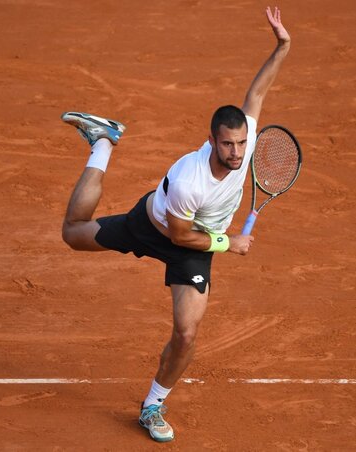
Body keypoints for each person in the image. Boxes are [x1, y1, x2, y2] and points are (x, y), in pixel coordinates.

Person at [61, 6, 290, 443]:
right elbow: (182, 234)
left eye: (242, 143)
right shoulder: (191, 181)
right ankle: (104, 141)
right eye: (227, 145)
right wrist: (229, 242)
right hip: (157, 226)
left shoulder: (246, 138)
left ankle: (152, 406)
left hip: (192, 250)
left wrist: (283, 46)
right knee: (72, 234)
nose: (238, 153)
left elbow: (256, 94)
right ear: (211, 141)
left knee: (186, 332)